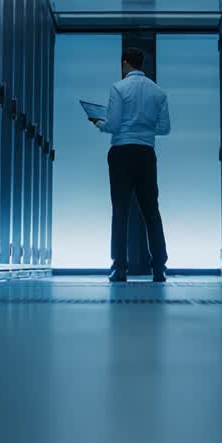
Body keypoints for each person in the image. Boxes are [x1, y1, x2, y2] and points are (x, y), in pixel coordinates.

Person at [92, 47, 171, 282]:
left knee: (120, 211)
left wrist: (98, 122)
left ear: (125, 64)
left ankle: (119, 268)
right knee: (151, 211)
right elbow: (165, 128)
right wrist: (144, 128)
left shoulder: (118, 88)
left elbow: (113, 124)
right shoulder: (158, 92)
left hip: (122, 153)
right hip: (146, 153)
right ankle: (159, 268)